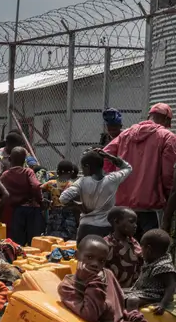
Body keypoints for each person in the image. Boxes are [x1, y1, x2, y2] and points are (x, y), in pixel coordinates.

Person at [58, 236, 156, 322]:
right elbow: (90, 315)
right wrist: (93, 283)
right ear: (77, 256)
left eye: (101, 260)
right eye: (89, 257)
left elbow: (118, 307)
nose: (95, 264)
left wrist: (130, 314)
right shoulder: (68, 286)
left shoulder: (107, 274)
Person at [105, 103, 176, 237]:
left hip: (122, 206)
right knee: (151, 249)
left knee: (125, 249)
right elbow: (168, 175)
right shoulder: (167, 137)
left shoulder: (125, 134)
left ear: (149, 116)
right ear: (167, 120)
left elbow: (104, 156)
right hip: (151, 207)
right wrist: (168, 198)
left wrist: (114, 184)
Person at [60, 149, 132, 243]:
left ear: (87, 167)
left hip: (86, 227)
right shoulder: (113, 179)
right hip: (107, 228)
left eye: (83, 167)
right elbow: (128, 168)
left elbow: (63, 198)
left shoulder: (82, 182)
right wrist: (109, 156)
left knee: (83, 256)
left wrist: (79, 205)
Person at [0, 147, 44, 247]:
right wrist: (40, 201)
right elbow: (36, 186)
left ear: (10, 159)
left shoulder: (5, 175)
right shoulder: (28, 172)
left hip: (16, 211)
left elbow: (0, 192)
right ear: (24, 160)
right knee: (33, 241)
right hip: (32, 210)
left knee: (17, 242)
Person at [127, 229, 176, 313]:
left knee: (132, 301)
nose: (141, 252)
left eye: (142, 249)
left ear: (148, 249)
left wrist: (162, 304)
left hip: (156, 296)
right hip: (144, 292)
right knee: (118, 292)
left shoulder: (163, 265)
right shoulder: (151, 260)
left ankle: (133, 320)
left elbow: (171, 286)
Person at [104, 207, 143, 290]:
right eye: (131, 222)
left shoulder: (134, 243)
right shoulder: (106, 244)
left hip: (133, 290)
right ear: (117, 221)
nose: (135, 226)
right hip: (113, 291)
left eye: (136, 222)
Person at [42, 160, 79, 241]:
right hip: (69, 215)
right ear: (71, 173)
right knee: (68, 240)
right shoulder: (73, 185)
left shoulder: (50, 183)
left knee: (51, 239)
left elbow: (39, 189)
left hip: (54, 214)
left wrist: (46, 201)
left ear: (57, 172)